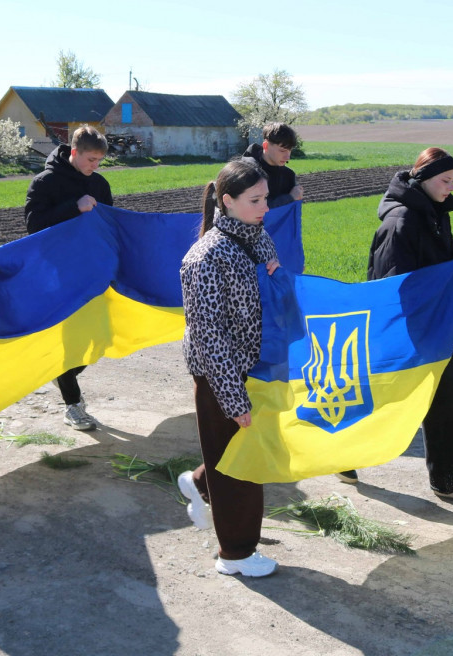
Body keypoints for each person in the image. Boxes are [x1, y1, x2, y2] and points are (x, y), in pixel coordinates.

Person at [338, 147, 453, 502]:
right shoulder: (400, 221)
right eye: (445, 180)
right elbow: (392, 283)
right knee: (382, 398)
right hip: (402, 328)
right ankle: (340, 452)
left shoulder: (436, 213)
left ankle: (448, 480)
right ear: (423, 179)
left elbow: (435, 265)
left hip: (432, 324)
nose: (451, 187)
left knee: (446, 396)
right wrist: (439, 278)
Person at [176, 158, 281, 578]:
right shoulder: (204, 258)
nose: (265, 207)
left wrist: (271, 263)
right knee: (241, 468)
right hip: (221, 377)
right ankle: (235, 555)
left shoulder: (254, 237)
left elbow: (263, 252)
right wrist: (233, 398)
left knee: (231, 457)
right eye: (255, 200)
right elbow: (209, 335)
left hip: (251, 369)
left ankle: (199, 483)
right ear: (228, 201)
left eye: (266, 198)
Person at [23, 124, 114, 431]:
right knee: (70, 340)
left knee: (98, 337)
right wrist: (74, 208)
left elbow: (110, 225)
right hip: (59, 274)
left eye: (99, 161)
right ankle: (73, 405)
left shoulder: (100, 184)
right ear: (74, 152)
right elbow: (34, 225)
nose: (95, 166)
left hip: (92, 272)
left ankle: (63, 373)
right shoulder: (45, 182)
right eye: (90, 159)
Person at [244, 122, 304, 207]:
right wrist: (290, 197)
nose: (288, 157)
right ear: (266, 146)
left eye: (290, 150)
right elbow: (251, 209)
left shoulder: (289, 176)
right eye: (282, 151)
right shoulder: (244, 173)